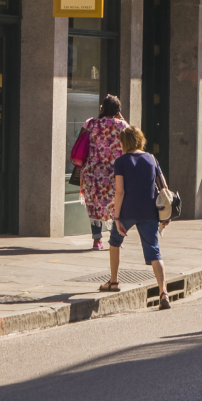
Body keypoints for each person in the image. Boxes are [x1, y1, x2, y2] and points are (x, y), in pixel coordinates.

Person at [108, 126, 172, 309]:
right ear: (140, 139)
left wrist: (117, 218)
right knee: (154, 251)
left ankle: (113, 281)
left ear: (124, 142)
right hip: (149, 211)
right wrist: (166, 213)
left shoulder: (121, 161)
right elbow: (164, 187)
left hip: (127, 210)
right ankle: (163, 292)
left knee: (115, 242)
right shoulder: (151, 158)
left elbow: (119, 192)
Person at [76, 94, 129, 262]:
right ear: (117, 110)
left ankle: (97, 239)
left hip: (92, 172)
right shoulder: (122, 125)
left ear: (103, 108)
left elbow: (80, 139)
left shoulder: (91, 123)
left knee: (94, 204)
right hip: (116, 172)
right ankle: (116, 240)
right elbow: (131, 141)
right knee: (116, 205)